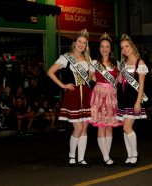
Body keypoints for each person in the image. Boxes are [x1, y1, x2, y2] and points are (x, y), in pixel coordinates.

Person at [47, 28, 92, 168]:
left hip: (85, 95)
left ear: (86, 46)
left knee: (85, 127)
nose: (81, 44)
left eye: (84, 43)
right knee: (78, 127)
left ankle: (81, 158)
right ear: (75, 42)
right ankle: (72, 156)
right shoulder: (66, 57)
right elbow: (50, 72)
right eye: (79, 41)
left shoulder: (88, 59)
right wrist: (63, 85)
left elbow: (90, 78)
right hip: (73, 95)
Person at [88, 32, 122, 167]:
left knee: (110, 128)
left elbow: (118, 81)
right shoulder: (94, 63)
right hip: (99, 97)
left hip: (112, 97)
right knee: (101, 127)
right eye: (102, 46)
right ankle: (106, 157)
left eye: (107, 46)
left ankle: (106, 155)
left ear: (110, 48)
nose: (104, 49)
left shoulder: (116, 63)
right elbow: (91, 78)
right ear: (99, 48)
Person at [116, 34, 148, 167]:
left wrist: (138, 102)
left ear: (132, 46)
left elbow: (141, 85)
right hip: (123, 97)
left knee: (127, 127)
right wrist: (119, 71)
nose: (125, 49)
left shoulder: (139, 62)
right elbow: (118, 81)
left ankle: (134, 154)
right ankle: (129, 155)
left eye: (127, 46)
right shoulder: (123, 63)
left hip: (133, 97)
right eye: (122, 47)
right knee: (125, 129)